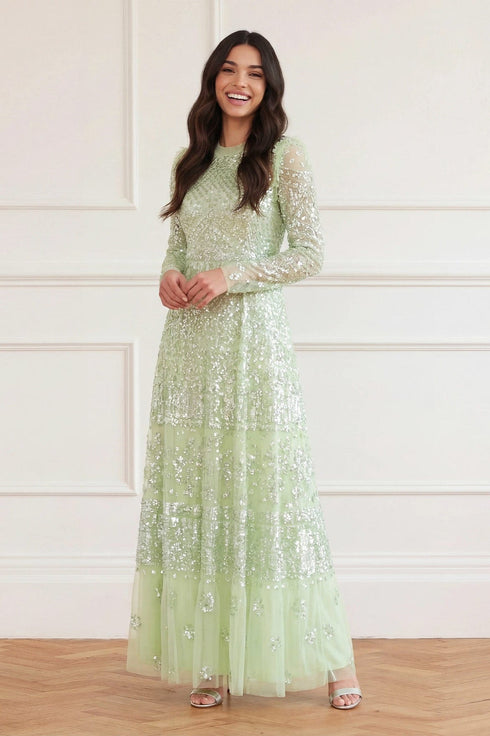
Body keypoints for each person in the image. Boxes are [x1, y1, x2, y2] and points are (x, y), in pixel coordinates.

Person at [126, 29, 362, 711]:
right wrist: (169, 274)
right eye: (229, 70)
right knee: (204, 497)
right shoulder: (191, 159)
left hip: (253, 347)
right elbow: (179, 244)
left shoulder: (285, 155)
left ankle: (336, 662)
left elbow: (310, 253)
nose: (240, 83)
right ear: (213, 80)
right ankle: (214, 659)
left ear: (269, 86)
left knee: (275, 497)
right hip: (190, 347)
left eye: (255, 74)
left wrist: (234, 274)